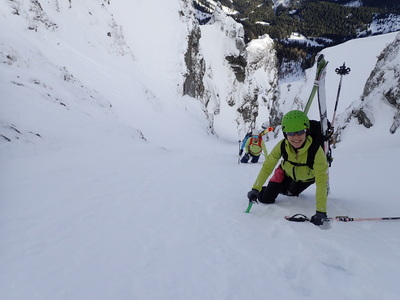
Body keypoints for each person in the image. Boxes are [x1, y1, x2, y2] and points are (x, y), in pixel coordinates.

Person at [246, 110, 329, 226]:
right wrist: (255, 189)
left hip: (307, 178)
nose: (296, 137)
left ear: (306, 131)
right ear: (285, 134)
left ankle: (286, 189)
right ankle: (268, 189)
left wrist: (321, 211)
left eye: (300, 132)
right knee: (265, 198)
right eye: (290, 133)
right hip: (285, 174)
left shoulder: (316, 151)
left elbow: (321, 181)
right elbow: (267, 166)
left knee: (291, 193)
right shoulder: (282, 145)